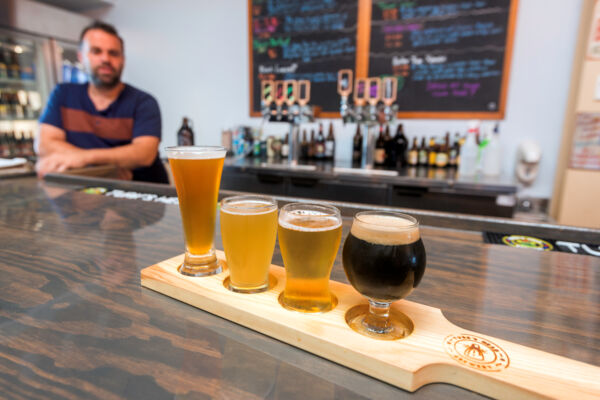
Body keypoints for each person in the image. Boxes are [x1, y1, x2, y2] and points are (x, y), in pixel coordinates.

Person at [35, 21, 169, 183]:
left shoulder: (144, 102)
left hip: (142, 194)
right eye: (96, 51)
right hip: (85, 195)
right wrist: (110, 169)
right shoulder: (63, 94)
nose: (105, 59)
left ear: (123, 60)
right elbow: (45, 145)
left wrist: (82, 159)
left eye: (113, 53)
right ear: (81, 57)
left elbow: (143, 154)